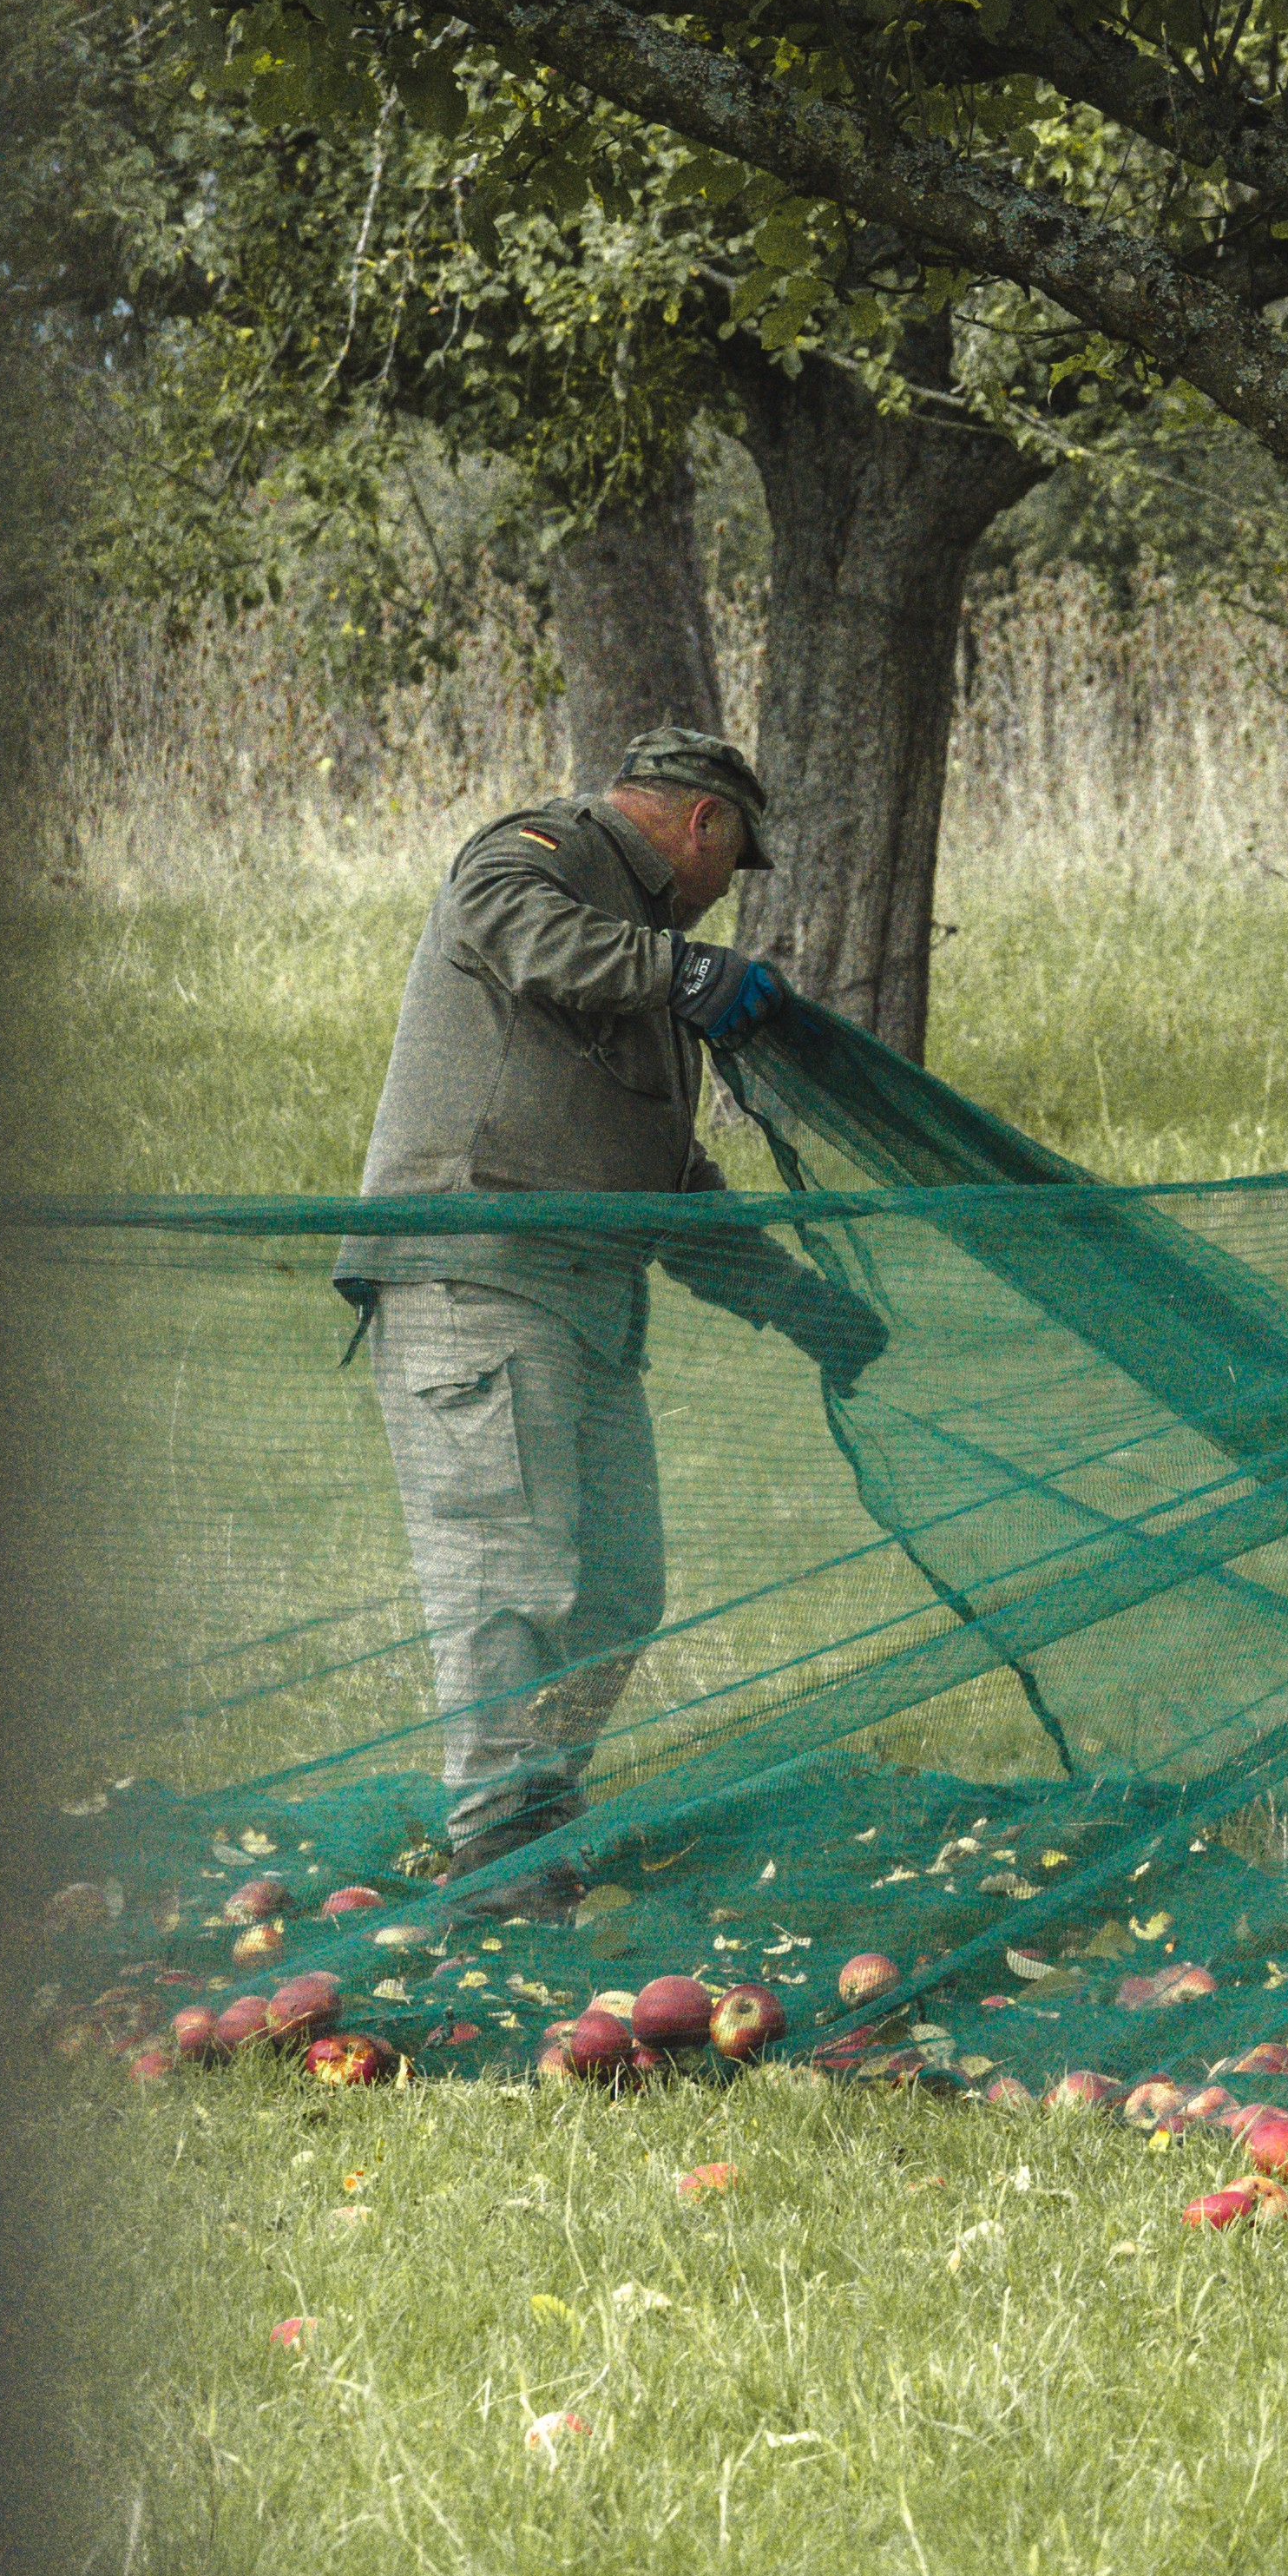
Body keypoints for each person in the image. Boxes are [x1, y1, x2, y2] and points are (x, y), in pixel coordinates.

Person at [337, 726, 889, 1914]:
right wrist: (688, 976)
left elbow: (664, 1177)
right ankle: (497, 1853)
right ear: (707, 823)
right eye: (735, 862)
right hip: (473, 1277)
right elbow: (501, 917)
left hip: (586, 1301)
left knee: (619, 1586)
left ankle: (538, 1815)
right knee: (507, 1578)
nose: (722, 897)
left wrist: (800, 1305)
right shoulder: (546, 856)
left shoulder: (633, 967)